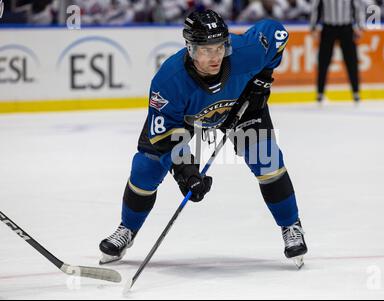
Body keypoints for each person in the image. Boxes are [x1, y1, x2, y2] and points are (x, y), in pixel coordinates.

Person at [99, 9, 307, 266]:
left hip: (241, 109)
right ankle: (127, 229)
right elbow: (166, 137)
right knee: (146, 167)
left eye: (220, 47)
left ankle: (291, 226)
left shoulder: (245, 51)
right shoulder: (169, 80)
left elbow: (277, 32)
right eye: (206, 50)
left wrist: (262, 79)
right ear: (190, 48)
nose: (215, 56)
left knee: (267, 161)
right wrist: (186, 172)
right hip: (184, 121)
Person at [310, 0, 365, 105]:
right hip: (328, 28)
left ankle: (356, 92)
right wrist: (313, 27)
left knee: (351, 61)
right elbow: (316, 7)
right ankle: (320, 93)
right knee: (323, 61)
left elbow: (357, 7)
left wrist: (360, 26)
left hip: (346, 27)